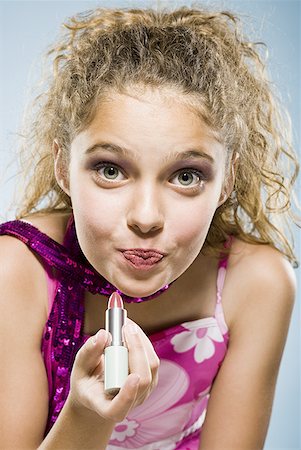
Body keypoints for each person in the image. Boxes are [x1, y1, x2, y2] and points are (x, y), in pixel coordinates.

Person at [0, 4, 299, 449]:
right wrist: (86, 417)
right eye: (110, 170)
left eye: (186, 176)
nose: (145, 217)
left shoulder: (254, 283)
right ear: (64, 167)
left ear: (226, 182)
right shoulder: (16, 271)